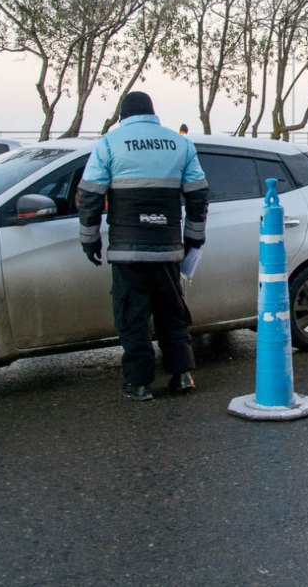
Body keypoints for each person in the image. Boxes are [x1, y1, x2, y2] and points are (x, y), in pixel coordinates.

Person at [77, 91, 209, 401]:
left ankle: (138, 384)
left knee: (132, 316)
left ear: (123, 116)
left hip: (127, 250)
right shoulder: (180, 143)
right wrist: (193, 238)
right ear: (153, 113)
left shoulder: (110, 143)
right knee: (171, 312)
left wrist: (89, 239)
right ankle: (181, 375)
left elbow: (91, 196)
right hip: (167, 248)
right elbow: (198, 195)